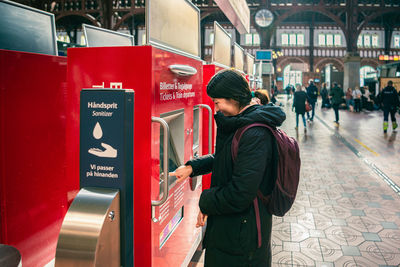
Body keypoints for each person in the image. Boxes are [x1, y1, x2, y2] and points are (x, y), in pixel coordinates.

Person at [169, 69, 285, 267]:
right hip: (235, 227)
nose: (216, 108)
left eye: (217, 102)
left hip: (242, 237)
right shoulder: (243, 123)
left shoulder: (254, 133)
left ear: (233, 98)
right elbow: (228, 157)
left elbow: (240, 192)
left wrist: (206, 201)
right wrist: (193, 167)